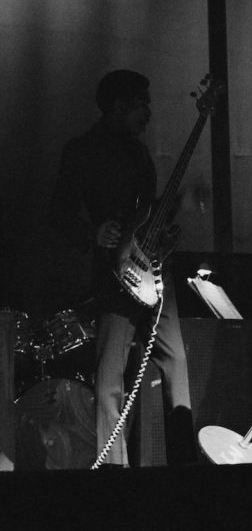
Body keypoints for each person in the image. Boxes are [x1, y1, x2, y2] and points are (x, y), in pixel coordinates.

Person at [50, 69, 195, 467]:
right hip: (115, 276)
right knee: (111, 374)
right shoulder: (81, 150)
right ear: (118, 107)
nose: (148, 113)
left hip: (152, 267)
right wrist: (94, 233)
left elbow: (146, 212)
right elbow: (60, 211)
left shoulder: (139, 153)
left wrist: (165, 226)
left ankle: (185, 460)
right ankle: (113, 469)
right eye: (142, 105)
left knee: (176, 359)